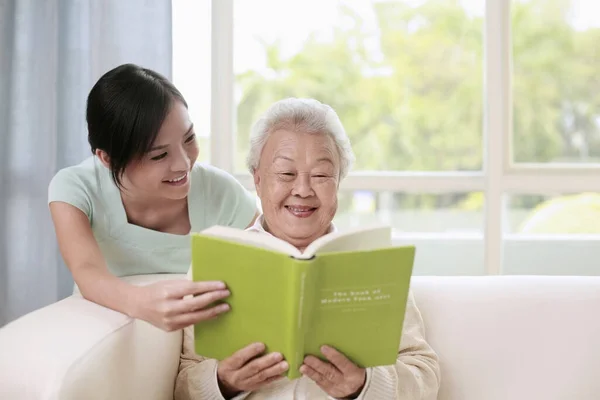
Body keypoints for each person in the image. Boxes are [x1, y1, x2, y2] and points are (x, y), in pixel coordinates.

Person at [175, 98, 441, 399]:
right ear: (258, 180)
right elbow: (185, 381)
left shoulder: (372, 263)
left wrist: (364, 384)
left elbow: (424, 373)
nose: (302, 190)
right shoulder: (216, 262)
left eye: (321, 175)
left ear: (338, 182)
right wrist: (223, 381)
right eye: (286, 174)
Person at [48, 63, 258, 332]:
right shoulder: (76, 188)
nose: (184, 164)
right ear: (107, 159)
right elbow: (87, 270)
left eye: (189, 138)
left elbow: (270, 264)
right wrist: (142, 302)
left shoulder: (221, 192)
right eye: (159, 155)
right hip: (107, 334)